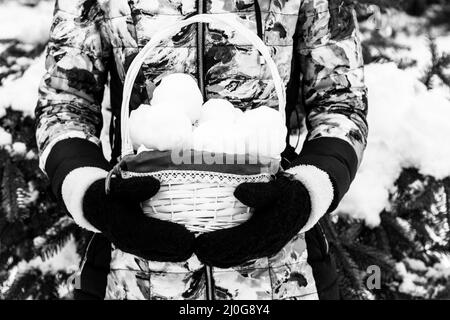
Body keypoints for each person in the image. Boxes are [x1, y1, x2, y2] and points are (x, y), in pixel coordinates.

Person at [36, 0, 368, 300]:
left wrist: (306, 195)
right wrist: (92, 197)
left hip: (281, 273)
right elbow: (66, 103)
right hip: (133, 275)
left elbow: (340, 102)